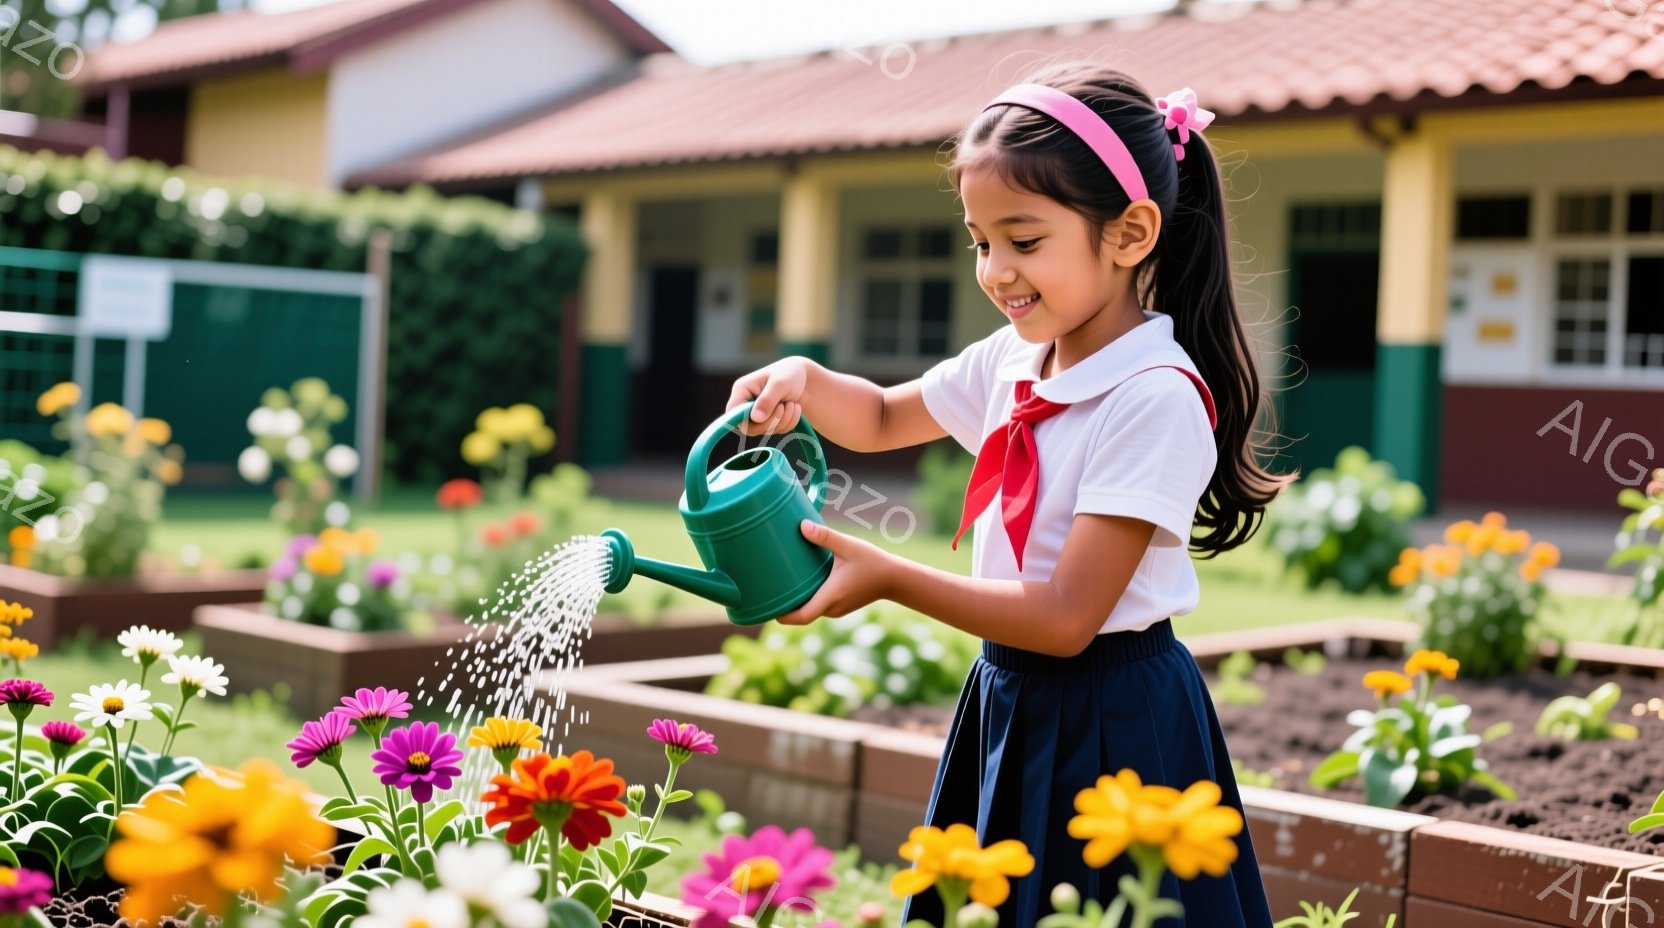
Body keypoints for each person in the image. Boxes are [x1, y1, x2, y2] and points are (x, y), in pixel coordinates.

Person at [725, 62, 1289, 927]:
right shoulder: (1014, 358)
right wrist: (803, 375)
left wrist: (889, 576)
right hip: (1009, 694)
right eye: (979, 240)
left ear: (1132, 232)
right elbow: (877, 417)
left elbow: (1068, 617)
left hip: (1117, 719)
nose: (996, 271)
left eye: (1024, 242)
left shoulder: (1154, 396)